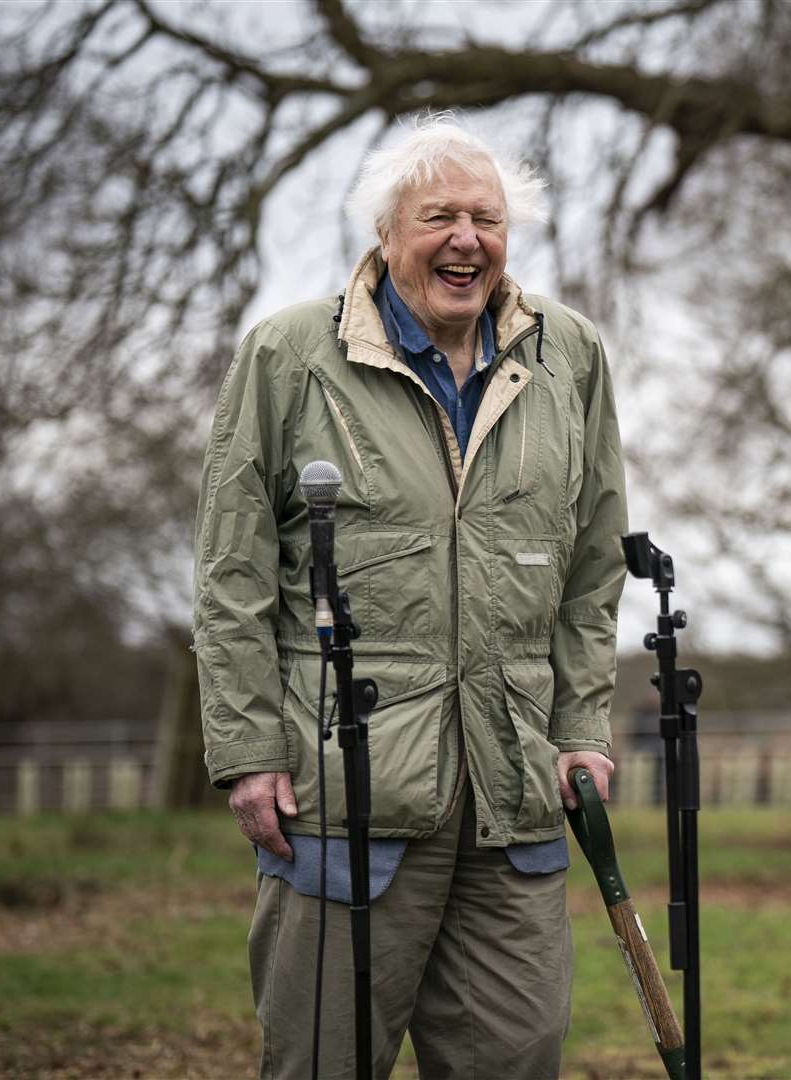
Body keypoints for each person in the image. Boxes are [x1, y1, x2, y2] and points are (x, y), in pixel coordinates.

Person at [193, 115, 627, 1079]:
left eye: (488, 218)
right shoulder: (288, 355)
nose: (467, 239)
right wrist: (249, 747)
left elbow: (594, 567)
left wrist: (583, 726)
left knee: (518, 1057)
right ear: (386, 233)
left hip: (513, 790)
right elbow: (232, 572)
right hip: (341, 793)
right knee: (322, 1061)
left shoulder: (571, 357)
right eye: (440, 217)